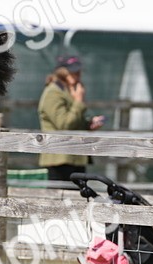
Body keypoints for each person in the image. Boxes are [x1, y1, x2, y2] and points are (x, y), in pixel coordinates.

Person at [37, 55, 104, 183]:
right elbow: (65, 125)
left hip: (75, 156)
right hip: (59, 159)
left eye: (78, 71)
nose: (77, 74)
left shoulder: (68, 91)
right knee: (59, 199)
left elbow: (73, 122)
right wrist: (79, 101)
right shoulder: (53, 92)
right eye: (73, 71)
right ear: (62, 72)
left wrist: (88, 125)